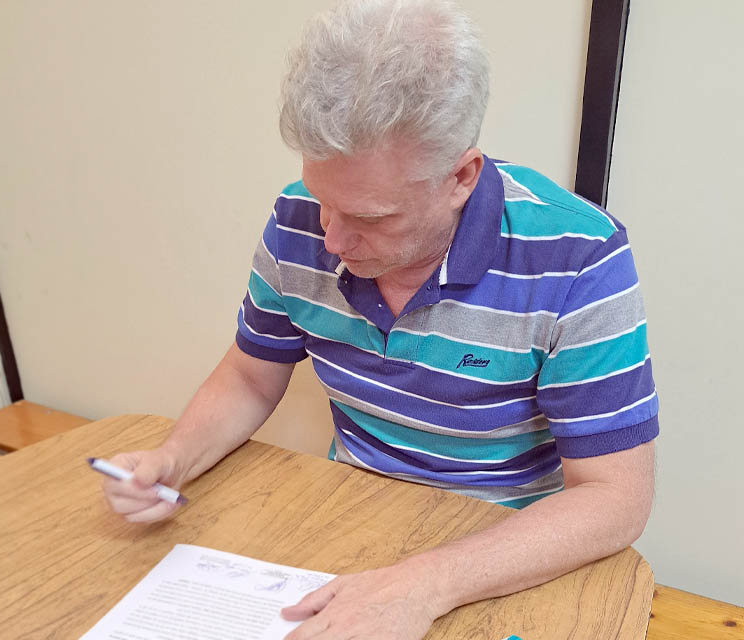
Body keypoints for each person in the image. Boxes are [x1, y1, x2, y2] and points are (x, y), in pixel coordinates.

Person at [102, 1, 658, 637]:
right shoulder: (298, 220)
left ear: (461, 176)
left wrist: (425, 584)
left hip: (502, 551)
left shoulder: (578, 255)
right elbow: (250, 378)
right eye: (323, 200)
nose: (332, 240)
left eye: (369, 218)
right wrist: (174, 460)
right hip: (354, 519)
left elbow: (615, 498)